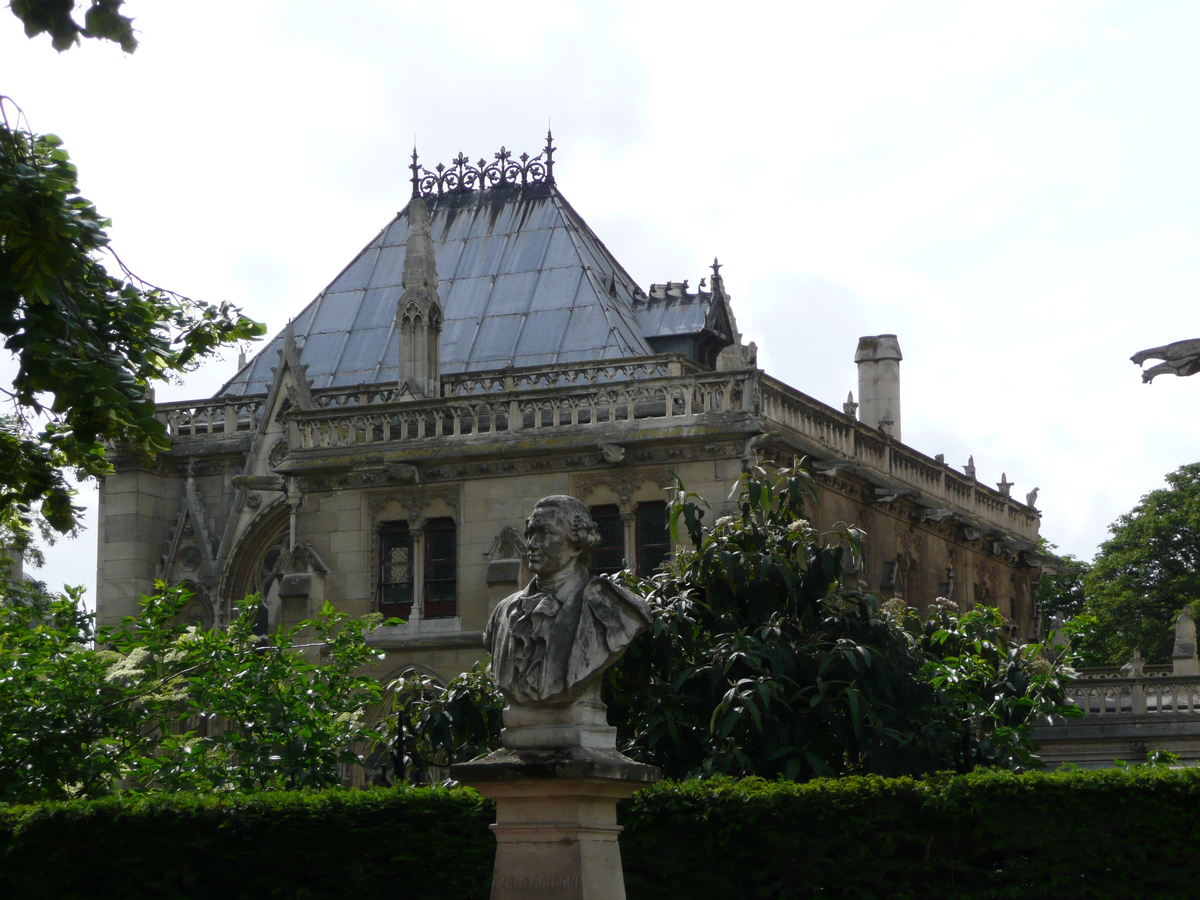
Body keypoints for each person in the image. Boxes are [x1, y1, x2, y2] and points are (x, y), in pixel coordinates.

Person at [484, 495, 652, 705]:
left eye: (544, 533)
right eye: (530, 534)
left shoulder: (616, 608)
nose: (533, 544)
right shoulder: (503, 612)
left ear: (576, 546)